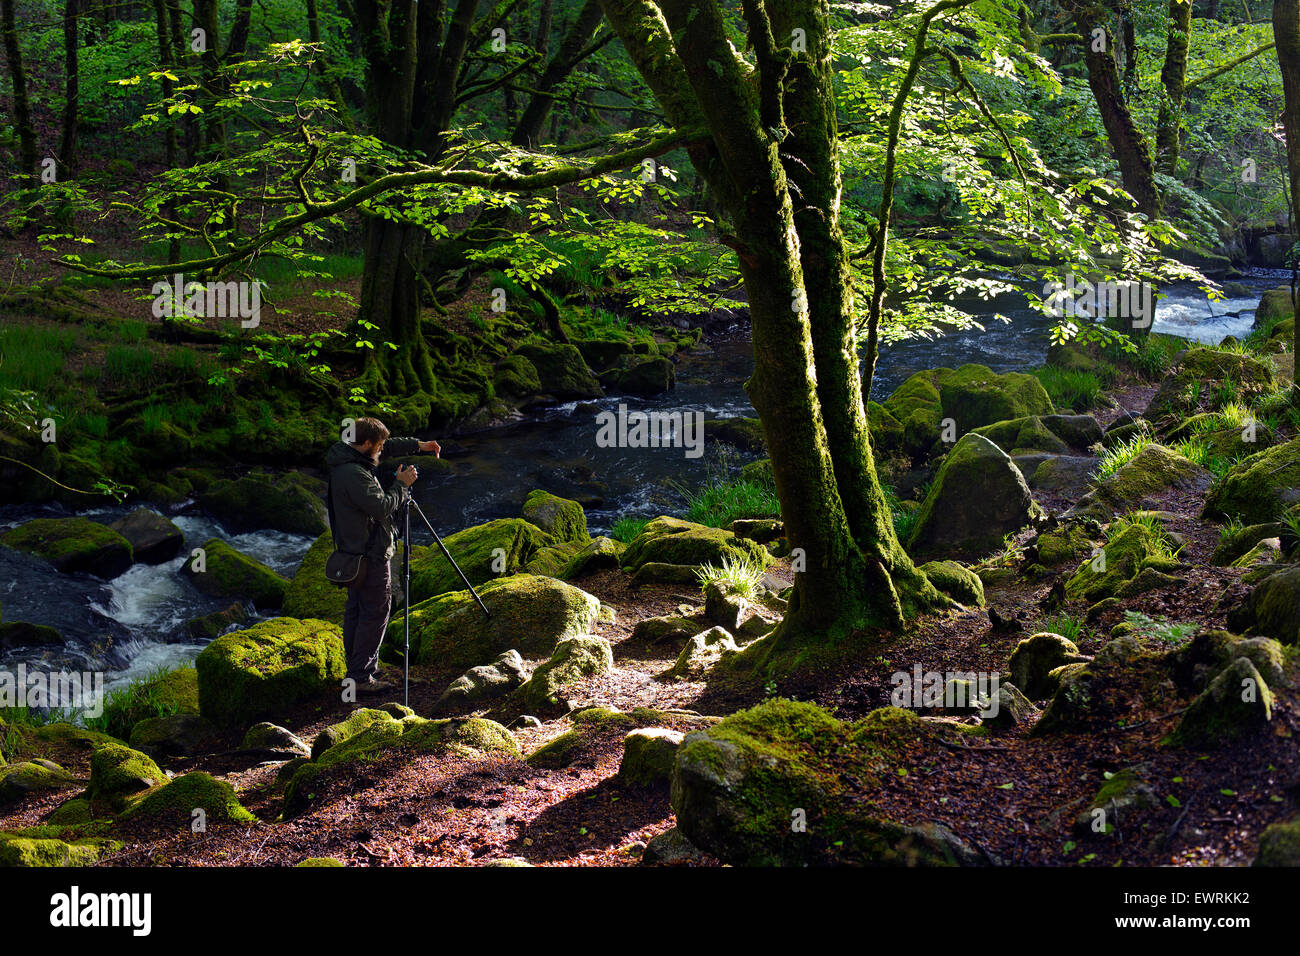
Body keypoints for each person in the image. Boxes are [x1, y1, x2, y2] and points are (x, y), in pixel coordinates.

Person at [324, 417, 440, 694]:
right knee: (375, 612)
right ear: (365, 444)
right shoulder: (354, 474)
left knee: (357, 611)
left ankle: (358, 669)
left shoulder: (348, 455)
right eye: (378, 444)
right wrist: (402, 484)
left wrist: (419, 445)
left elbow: (386, 448)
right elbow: (381, 507)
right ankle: (361, 677)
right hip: (370, 553)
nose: (382, 448)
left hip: (355, 552)